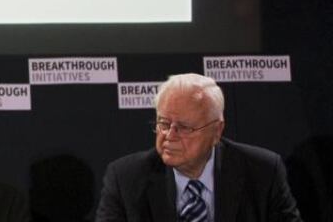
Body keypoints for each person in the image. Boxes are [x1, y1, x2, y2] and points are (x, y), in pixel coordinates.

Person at [95, 73, 303, 222]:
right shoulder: (125, 178)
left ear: (217, 131)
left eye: (184, 127)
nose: (169, 135)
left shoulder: (263, 172)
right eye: (164, 124)